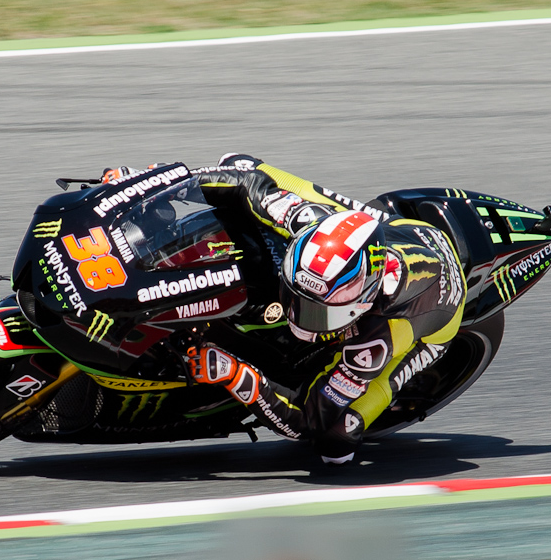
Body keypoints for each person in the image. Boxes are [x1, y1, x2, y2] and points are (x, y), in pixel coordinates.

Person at [105, 154, 467, 465]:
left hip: (435, 316)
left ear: (357, 304)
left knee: (335, 439)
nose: (296, 315)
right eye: (295, 297)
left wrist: (233, 373)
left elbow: (306, 420)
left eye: (315, 311)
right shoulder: (305, 220)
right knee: (238, 164)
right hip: (400, 232)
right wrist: (146, 186)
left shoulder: (373, 344)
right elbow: (247, 181)